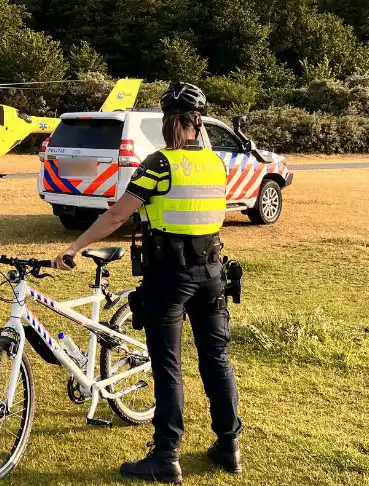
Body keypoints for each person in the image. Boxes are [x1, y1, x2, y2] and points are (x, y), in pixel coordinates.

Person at [53, 82, 242, 483]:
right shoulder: (216, 164)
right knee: (217, 361)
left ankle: (165, 455)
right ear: (199, 121)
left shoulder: (160, 163)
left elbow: (116, 215)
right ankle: (229, 446)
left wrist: (75, 247)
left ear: (170, 122)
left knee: (168, 366)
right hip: (212, 272)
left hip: (169, 278)